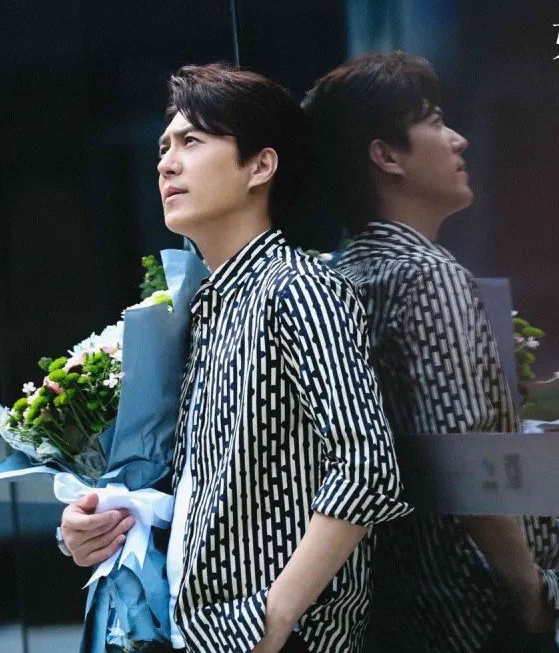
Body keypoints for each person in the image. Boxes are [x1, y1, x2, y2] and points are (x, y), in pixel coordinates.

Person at [60, 62, 414, 653]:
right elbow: (204, 488)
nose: (166, 163)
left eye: (192, 142)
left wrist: (270, 622)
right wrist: (97, 524)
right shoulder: (207, 308)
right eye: (163, 148)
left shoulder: (299, 289)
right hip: (203, 633)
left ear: (261, 166)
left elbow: (367, 468)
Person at [301, 51, 559, 652]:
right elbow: (467, 462)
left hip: (391, 606)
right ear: (386, 156)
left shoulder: (338, 277)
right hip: (472, 609)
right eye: (433, 122)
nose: (458, 140)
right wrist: (529, 593)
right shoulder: (426, 274)